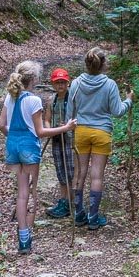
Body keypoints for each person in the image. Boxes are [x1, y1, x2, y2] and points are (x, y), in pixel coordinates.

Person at [0, 60, 71, 253]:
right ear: (34, 79)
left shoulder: (10, 97)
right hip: (29, 148)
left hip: (13, 147)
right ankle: (27, 236)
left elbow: (1, 125)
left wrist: (13, 137)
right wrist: (65, 128)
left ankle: (22, 235)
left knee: (21, 192)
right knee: (31, 192)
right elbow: (40, 132)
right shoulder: (34, 100)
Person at [67, 48, 131, 230]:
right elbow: (117, 111)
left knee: (79, 173)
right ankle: (93, 217)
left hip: (80, 131)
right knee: (97, 176)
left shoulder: (76, 83)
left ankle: (79, 214)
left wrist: (69, 131)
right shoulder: (110, 84)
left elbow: (70, 112)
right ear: (103, 64)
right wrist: (129, 100)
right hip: (102, 132)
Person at [43, 68, 79, 219]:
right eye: (57, 82)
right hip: (57, 139)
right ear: (53, 84)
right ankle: (63, 200)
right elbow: (47, 119)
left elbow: (79, 117)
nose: (60, 85)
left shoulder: (73, 99)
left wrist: (69, 125)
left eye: (63, 82)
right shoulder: (52, 100)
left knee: (71, 171)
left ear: (67, 83)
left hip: (71, 139)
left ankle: (71, 201)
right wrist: (49, 129)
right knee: (60, 170)